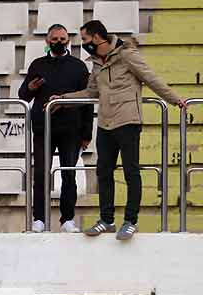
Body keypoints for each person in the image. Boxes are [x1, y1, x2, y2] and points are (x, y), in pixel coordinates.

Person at [58, 20, 184, 240]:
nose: (84, 44)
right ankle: (106, 220)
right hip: (105, 124)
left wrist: (175, 100)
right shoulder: (96, 62)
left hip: (128, 122)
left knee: (130, 172)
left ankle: (130, 221)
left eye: (85, 39)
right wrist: (63, 99)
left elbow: (151, 79)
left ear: (97, 38)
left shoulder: (127, 55)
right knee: (103, 172)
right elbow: (91, 92)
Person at [18, 24, 92, 233]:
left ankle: (67, 219)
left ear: (68, 41)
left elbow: (87, 100)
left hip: (71, 129)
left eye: (62, 39)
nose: (59, 42)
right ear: (47, 41)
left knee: (69, 174)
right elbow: (23, 95)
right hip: (43, 128)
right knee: (41, 173)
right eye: (55, 39)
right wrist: (31, 88)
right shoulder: (38, 65)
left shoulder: (78, 66)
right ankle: (39, 219)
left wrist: (87, 134)